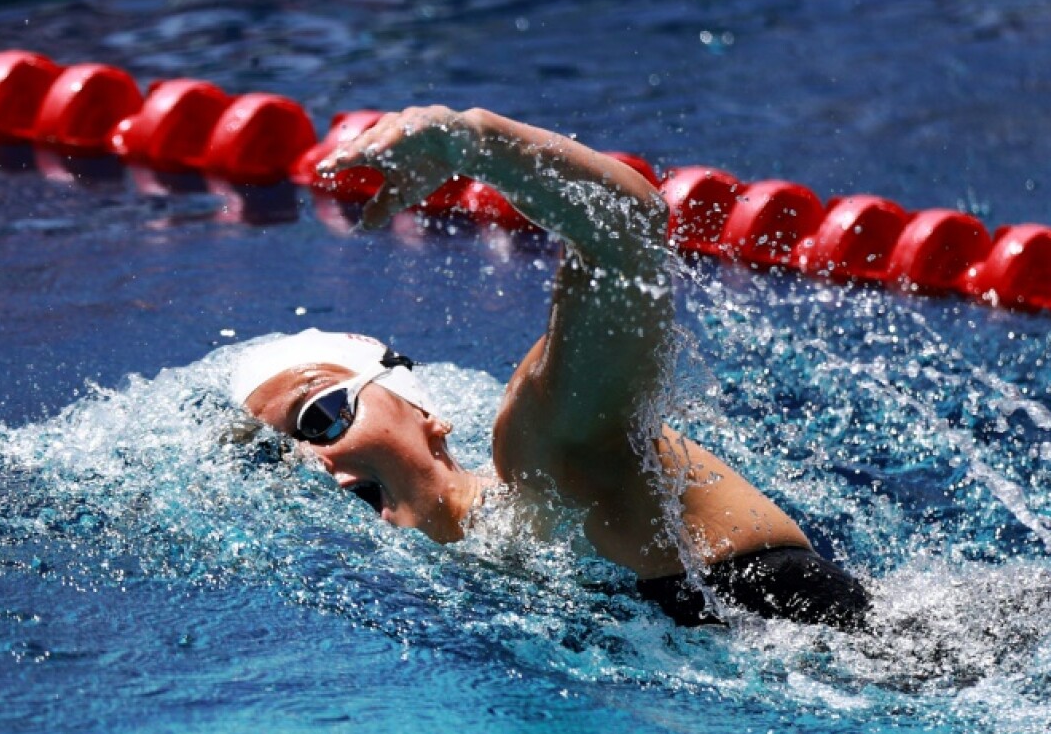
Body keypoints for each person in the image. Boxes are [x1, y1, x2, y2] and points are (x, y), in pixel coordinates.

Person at [231, 106, 869, 629]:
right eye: (277, 453)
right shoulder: (484, 579)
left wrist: (478, 145)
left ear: (424, 412)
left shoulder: (550, 457)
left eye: (319, 417)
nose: (312, 461)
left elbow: (626, 232)